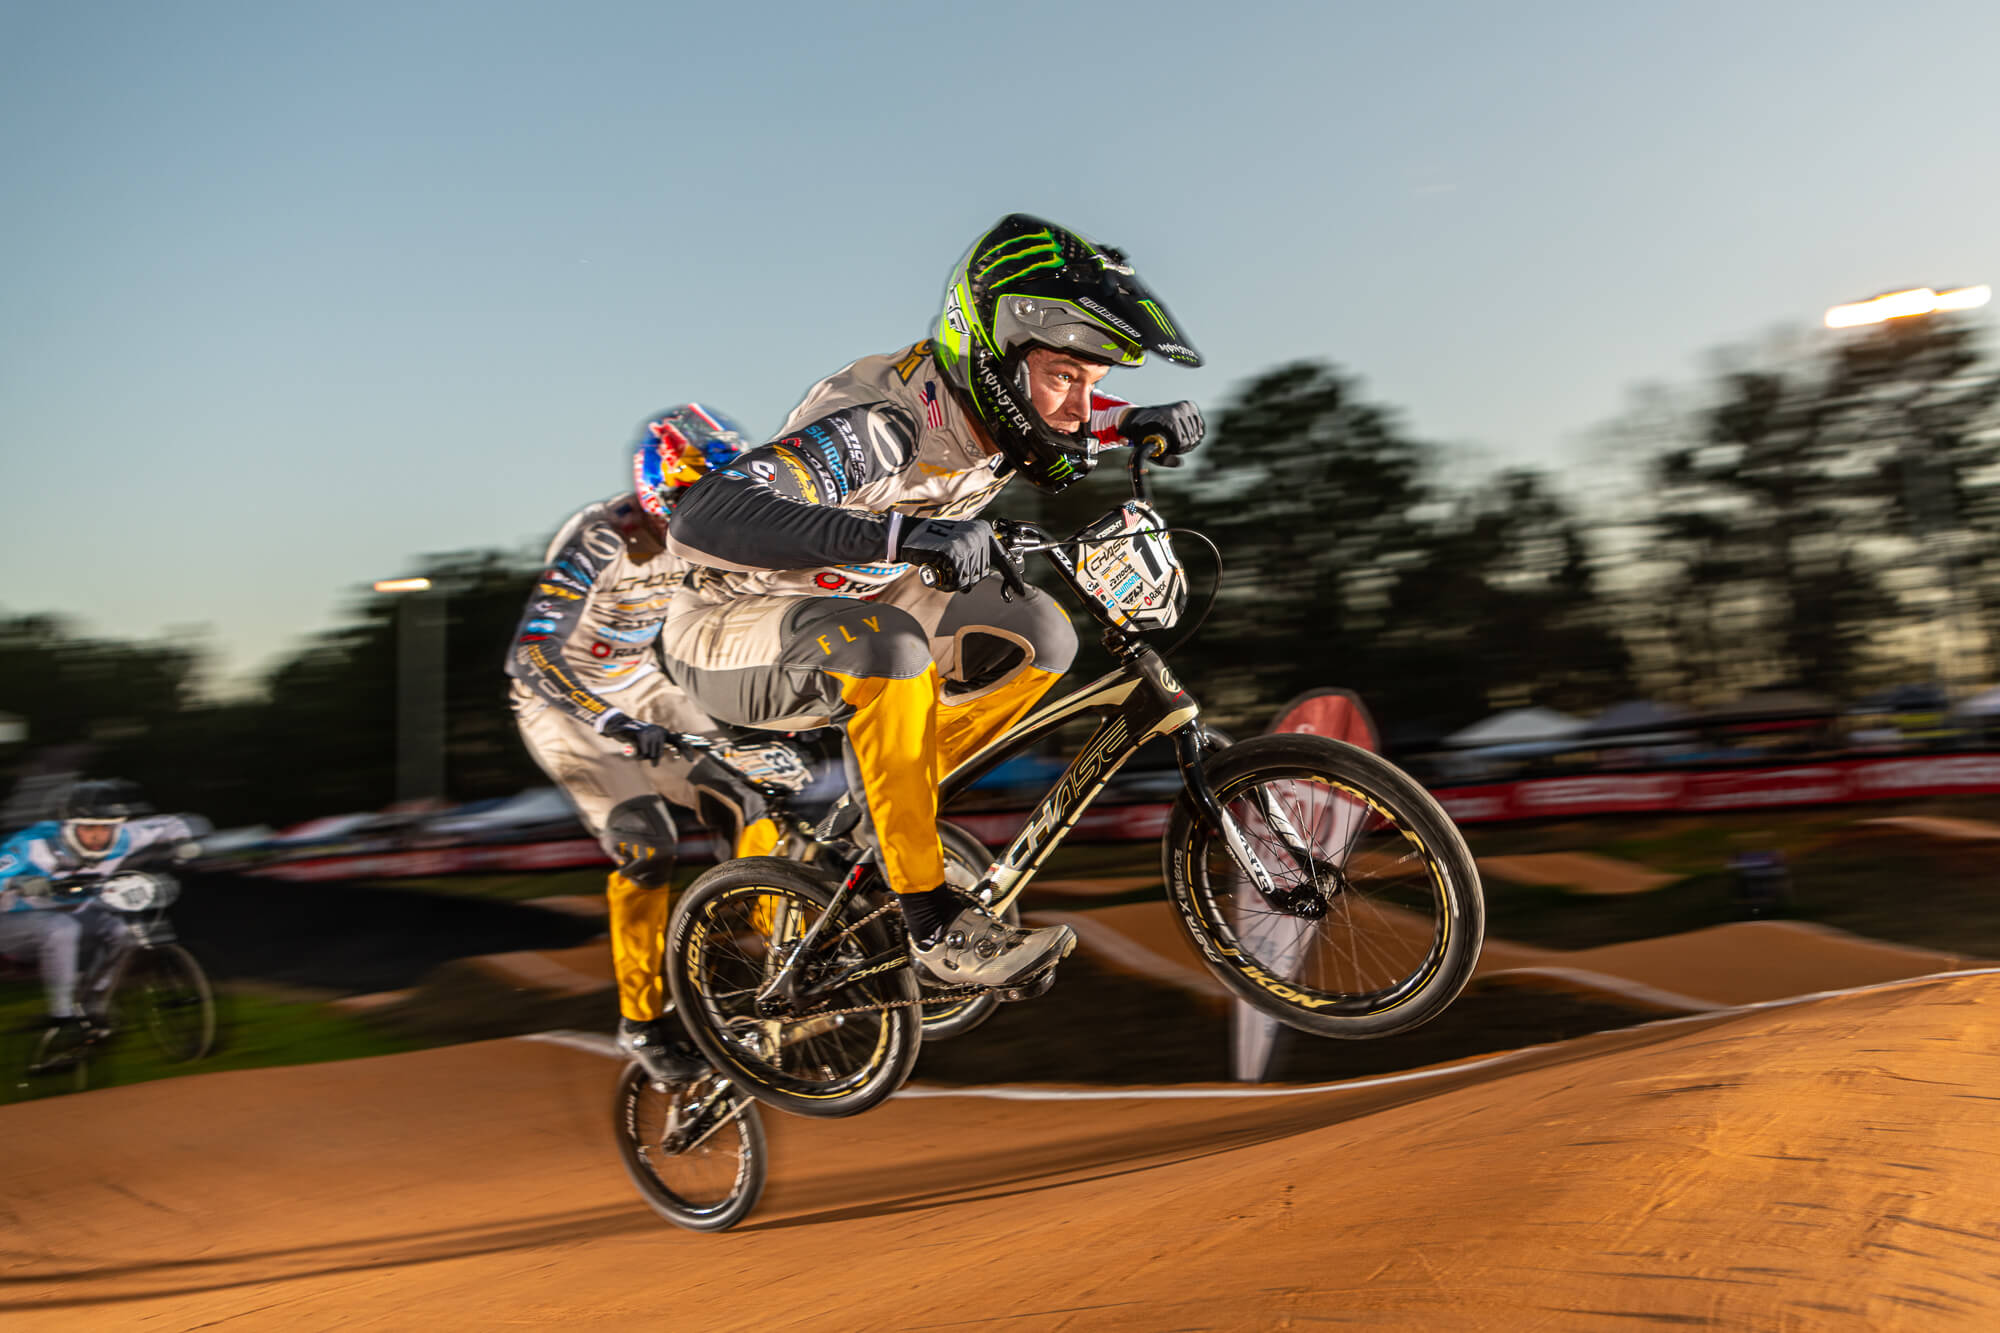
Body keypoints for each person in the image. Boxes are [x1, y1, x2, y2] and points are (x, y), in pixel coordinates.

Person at [663, 213, 1204, 987]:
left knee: (1042, 635)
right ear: (994, 358)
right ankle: (931, 922)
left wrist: (1131, 421)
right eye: (1065, 379)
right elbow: (704, 515)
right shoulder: (877, 426)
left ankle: (880, 813)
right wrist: (899, 537)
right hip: (730, 629)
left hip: (860, 596)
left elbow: (1067, 405)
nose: (1082, 408)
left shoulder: (998, 403)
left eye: (1094, 384)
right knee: (892, 648)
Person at [505, 404, 801, 1083]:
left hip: (638, 680)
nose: (712, 521)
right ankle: (641, 1020)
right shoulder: (599, 538)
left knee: (745, 794)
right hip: (561, 698)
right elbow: (528, 655)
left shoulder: (711, 540)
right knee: (648, 841)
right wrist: (607, 723)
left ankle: (770, 945)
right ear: (656, 492)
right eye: (695, 503)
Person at [0, 779, 208, 1064]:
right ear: (70, 826)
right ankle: (62, 1016)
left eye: (107, 827)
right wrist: (19, 882)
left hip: (69, 913)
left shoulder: (123, 837)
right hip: (11, 923)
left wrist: (187, 844)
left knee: (121, 930)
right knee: (61, 928)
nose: (100, 835)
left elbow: (178, 823)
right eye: (89, 828)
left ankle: (92, 1005)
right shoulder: (34, 844)